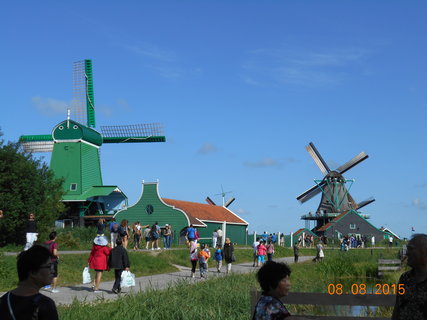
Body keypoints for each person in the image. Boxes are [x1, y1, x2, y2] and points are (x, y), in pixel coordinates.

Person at [0, 245, 59, 320]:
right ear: (33, 272)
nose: (53, 271)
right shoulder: (45, 305)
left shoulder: (4, 300)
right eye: (49, 266)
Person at [392, 233, 427, 320]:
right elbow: (397, 308)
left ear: (424, 251)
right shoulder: (405, 278)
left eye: (411, 249)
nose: (407, 253)